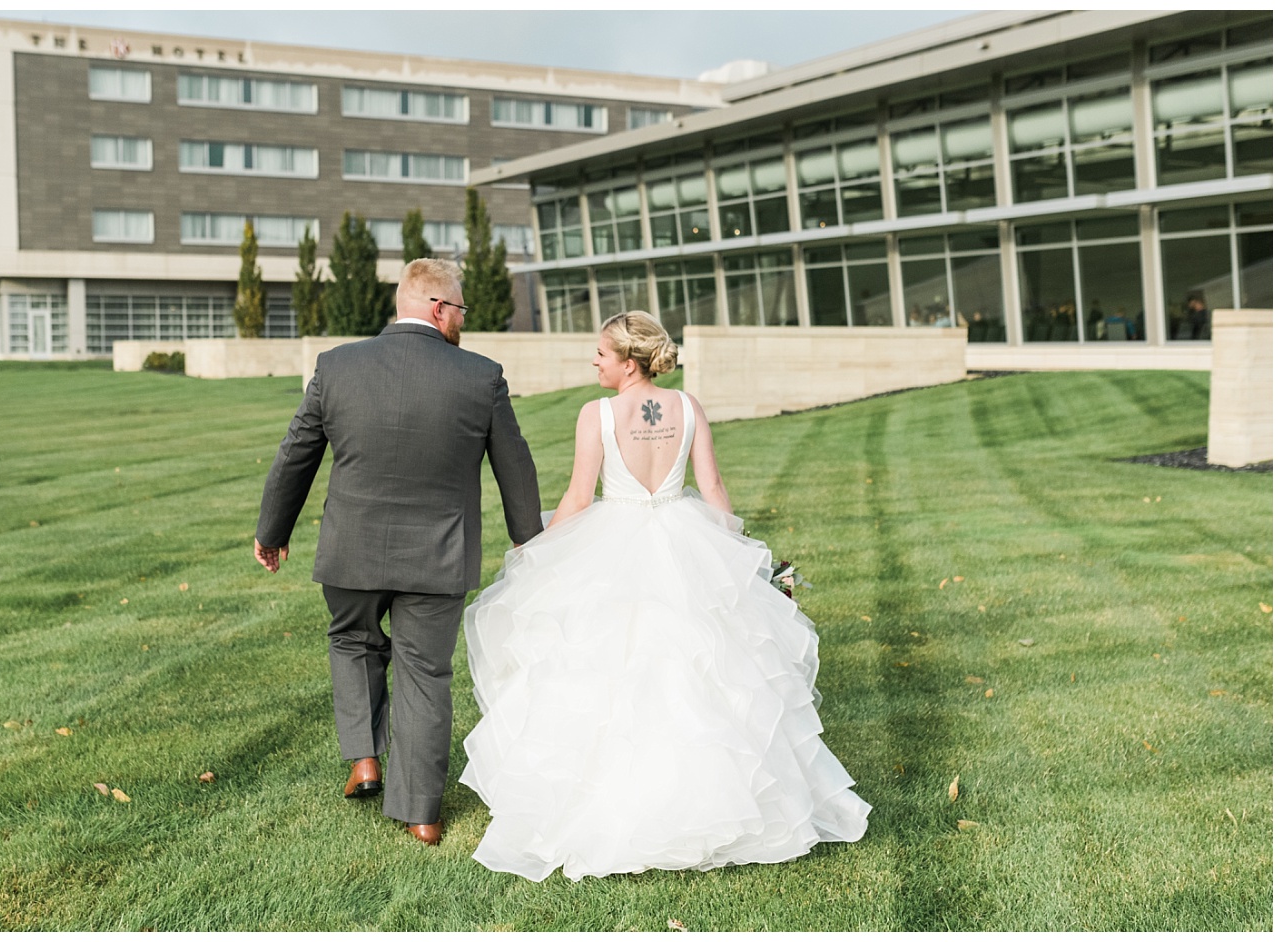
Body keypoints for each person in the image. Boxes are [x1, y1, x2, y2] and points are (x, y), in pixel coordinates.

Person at [460, 311, 870, 882]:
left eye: (601, 353)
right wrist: (741, 559)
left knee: (610, 673)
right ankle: (714, 806)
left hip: (616, 542)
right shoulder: (688, 407)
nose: (595, 361)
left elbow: (579, 498)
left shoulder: (596, 415)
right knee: (703, 675)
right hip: (687, 540)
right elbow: (715, 488)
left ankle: (616, 809)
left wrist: (535, 549)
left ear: (629, 362)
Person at [254, 258, 543, 846]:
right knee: (425, 674)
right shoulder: (481, 376)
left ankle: (364, 758)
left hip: (352, 548)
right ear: (438, 307)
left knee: (352, 641)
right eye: (460, 309)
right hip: (438, 557)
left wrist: (273, 531)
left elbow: (295, 454)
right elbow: (516, 465)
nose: (464, 319)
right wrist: (527, 539)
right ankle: (421, 815)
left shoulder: (337, 367)